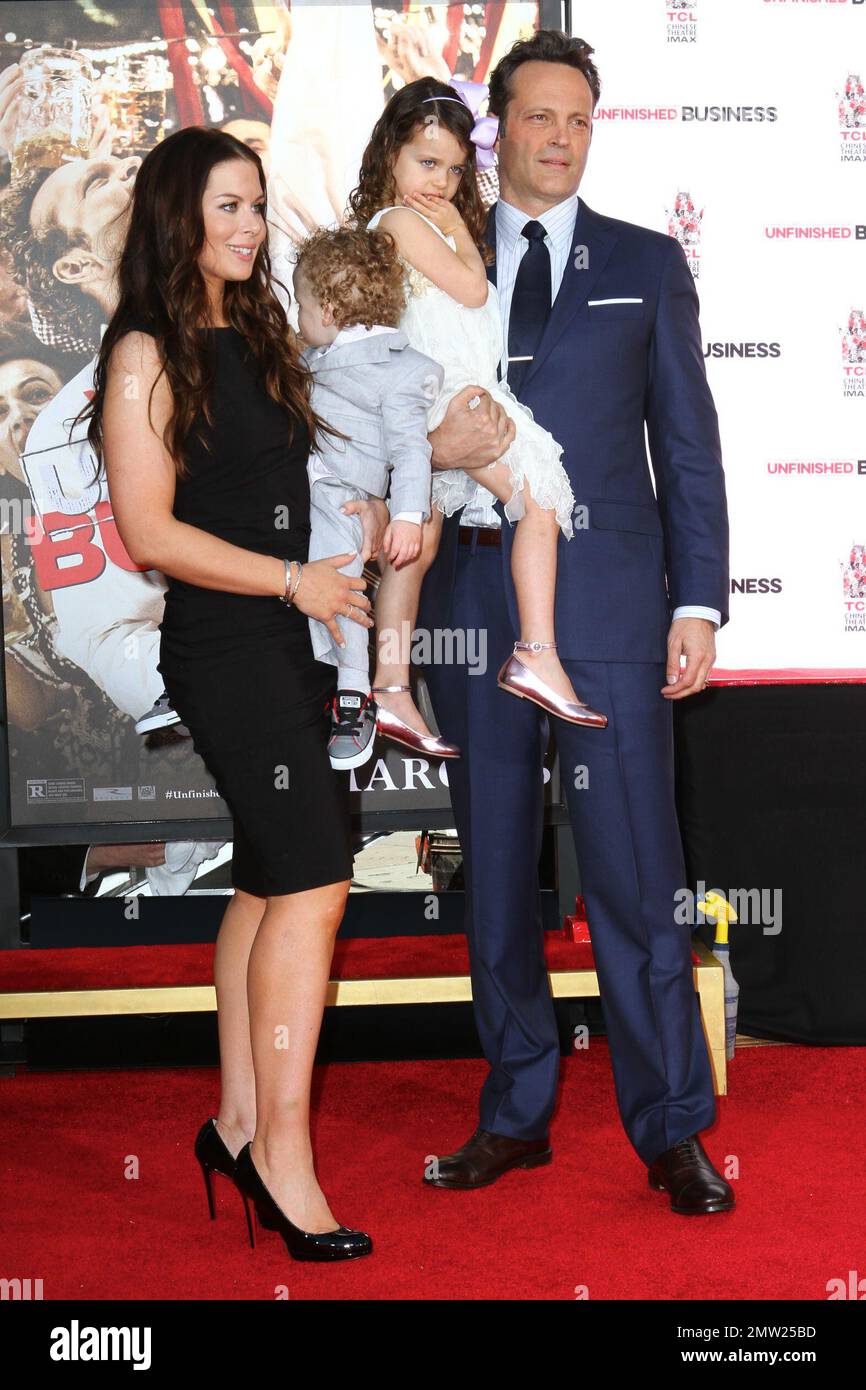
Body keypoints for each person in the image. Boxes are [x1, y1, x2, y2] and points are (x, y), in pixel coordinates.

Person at [418, 31, 734, 1216]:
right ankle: (515, 1112)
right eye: (536, 117)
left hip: (607, 605)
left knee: (632, 876)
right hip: (469, 604)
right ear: (496, 129)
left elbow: (686, 447)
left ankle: (670, 1128)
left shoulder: (647, 262)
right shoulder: (433, 253)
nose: (557, 137)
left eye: (578, 119)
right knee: (495, 877)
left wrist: (696, 599)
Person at [76, 126, 387, 1262]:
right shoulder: (146, 350)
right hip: (228, 646)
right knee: (314, 883)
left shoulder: (250, 328)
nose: (250, 226)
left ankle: (237, 1123)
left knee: (268, 882)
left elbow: (277, 475)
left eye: (256, 205)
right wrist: (292, 578)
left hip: (283, 636)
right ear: (177, 217)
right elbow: (147, 530)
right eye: (225, 208)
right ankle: (282, 1161)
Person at [352, 76, 608, 746]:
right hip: (452, 395)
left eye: (455, 169)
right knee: (541, 495)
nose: (439, 181)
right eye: (426, 163)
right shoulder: (406, 222)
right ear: (390, 157)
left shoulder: (421, 222)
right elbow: (469, 287)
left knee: (420, 542)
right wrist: (462, 229)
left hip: (439, 392)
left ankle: (390, 690)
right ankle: (536, 653)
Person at [292, 223, 458, 768]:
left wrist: (407, 516)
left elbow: (412, 450)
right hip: (306, 489)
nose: (298, 316)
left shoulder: (398, 371)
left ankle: (354, 694)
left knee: (336, 581)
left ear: (331, 310)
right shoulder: (310, 357)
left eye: (302, 303)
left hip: (347, 499)